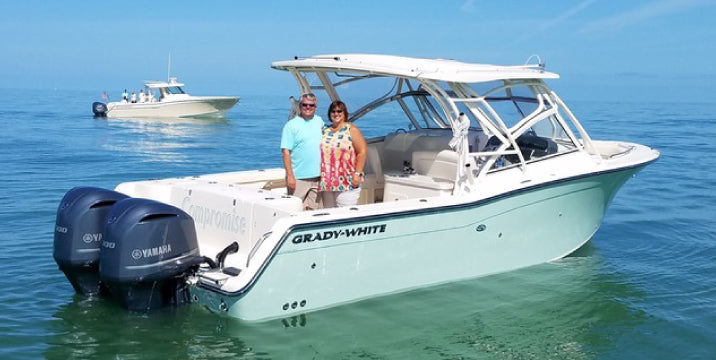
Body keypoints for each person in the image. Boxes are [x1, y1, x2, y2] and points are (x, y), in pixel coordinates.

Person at [319, 101, 367, 208]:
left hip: (347, 182)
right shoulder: (325, 131)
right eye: (333, 111)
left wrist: (357, 174)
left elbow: (362, 152)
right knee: (329, 217)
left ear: (344, 113)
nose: (336, 114)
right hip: (328, 184)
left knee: (345, 216)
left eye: (339, 111)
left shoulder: (352, 130)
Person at [280, 93, 324, 210]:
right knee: (294, 211)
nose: (308, 107)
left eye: (311, 105)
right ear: (300, 106)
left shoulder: (319, 121)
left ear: (315, 107)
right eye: (304, 105)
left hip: (318, 178)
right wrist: (290, 176)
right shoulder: (291, 125)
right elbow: (285, 152)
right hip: (298, 178)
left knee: (314, 213)